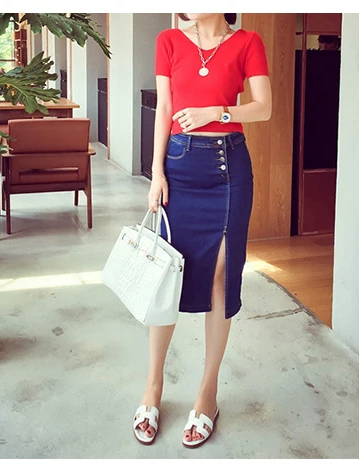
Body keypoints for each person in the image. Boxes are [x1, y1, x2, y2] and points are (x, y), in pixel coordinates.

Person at [132, 13, 272, 448]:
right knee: (166, 277)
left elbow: (264, 107)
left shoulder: (248, 42)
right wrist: (156, 172)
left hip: (229, 169)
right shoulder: (169, 40)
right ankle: (153, 386)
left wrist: (217, 111)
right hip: (179, 165)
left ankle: (207, 395)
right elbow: (165, 110)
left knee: (220, 278)